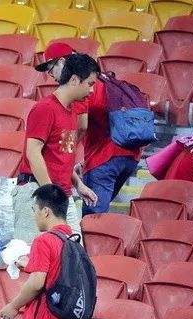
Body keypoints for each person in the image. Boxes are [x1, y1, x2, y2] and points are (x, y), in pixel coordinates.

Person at [36, 43, 143, 216]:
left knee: (93, 218)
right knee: (98, 214)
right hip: (130, 156)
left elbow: (81, 126)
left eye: (50, 68)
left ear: (62, 62)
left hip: (104, 158)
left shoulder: (79, 82)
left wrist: (67, 158)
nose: (51, 76)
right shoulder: (101, 80)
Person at [13, 53, 99, 245]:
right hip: (39, 194)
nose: (92, 90)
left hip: (60, 196)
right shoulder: (45, 109)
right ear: (75, 79)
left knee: (73, 257)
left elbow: (62, 157)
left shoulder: (71, 111)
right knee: (27, 256)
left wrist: (78, 185)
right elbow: (33, 153)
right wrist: (50, 194)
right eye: (90, 83)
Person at [0, 184, 77, 319]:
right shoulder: (73, 242)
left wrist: (13, 306)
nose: (34, 215)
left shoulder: (44, 240)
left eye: (34, 210)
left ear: (46, 212)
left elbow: (37, 283)